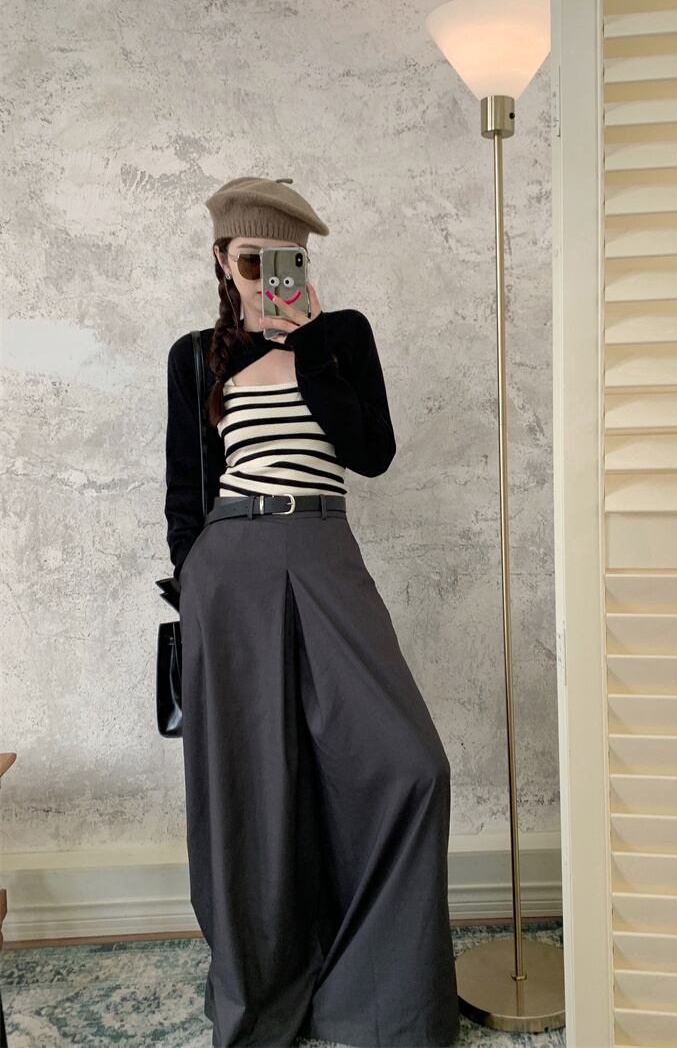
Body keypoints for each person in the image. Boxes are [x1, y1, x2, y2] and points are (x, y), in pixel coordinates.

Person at [164, 176, 461, 1047]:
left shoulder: (343, 336)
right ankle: (265, 994)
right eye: (250, 260)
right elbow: (185, 489)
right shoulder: (195, 356)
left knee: (410, 764)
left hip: (326, 548)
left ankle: (376, 1002)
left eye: (284, 259)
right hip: (231, 564)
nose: (268, 275)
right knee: (251, 787)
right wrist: (193, 579)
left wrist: (311, 348)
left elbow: (372, 454)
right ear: (222, 261)